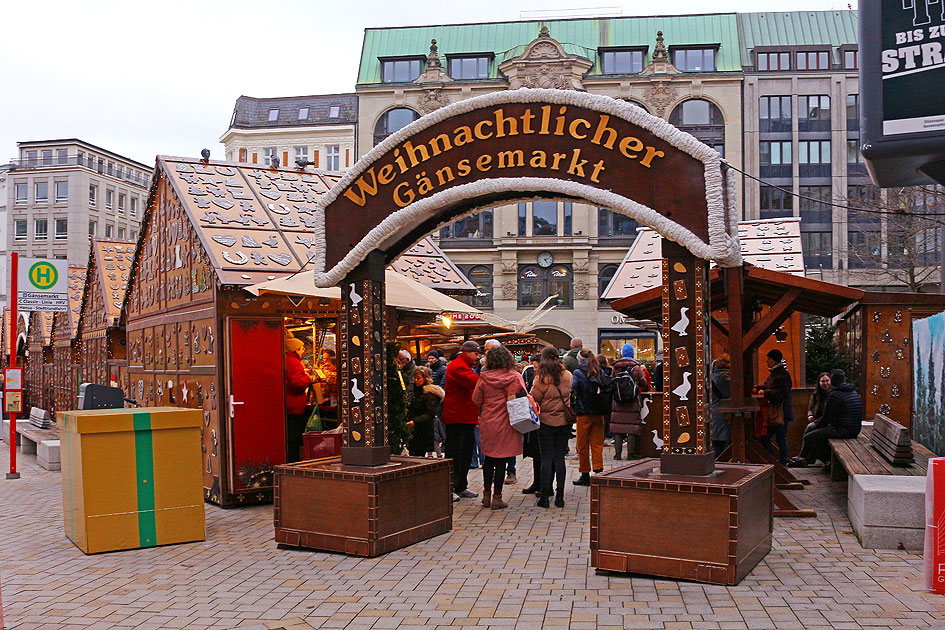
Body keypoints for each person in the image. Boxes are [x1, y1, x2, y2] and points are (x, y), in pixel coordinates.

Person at [471, 345, 525, 510]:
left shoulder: (484, 378)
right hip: (507, 422)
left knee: (488, 459)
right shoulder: (515, 377)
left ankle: (486, 495)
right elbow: (523, 396)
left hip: (488, 422)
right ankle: (497, 498)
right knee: (502, 460)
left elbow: (476, 399)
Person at [789, 369, 863, 468]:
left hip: (843, 430)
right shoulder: (852, 392)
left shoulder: (835, 395)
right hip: (854, 428)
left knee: (809, 437)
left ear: (833, 381)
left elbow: (827, 417)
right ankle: (806, 458)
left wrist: (817, 427)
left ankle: (826, 460)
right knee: (812, 430)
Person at [529, 346, 573, 508]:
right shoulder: (567, 375)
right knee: (559, 458)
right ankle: (560, 497)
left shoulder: (541, 378)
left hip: (546, 422)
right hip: (564, 421)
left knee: (546, 458)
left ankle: (545, 496)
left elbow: (534, 398)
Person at [442, 340, 481, 500]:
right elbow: (475, 382)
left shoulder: (465, 366)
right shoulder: (458, 366)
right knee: (455, 453)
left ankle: (461, 486)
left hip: (466, 417)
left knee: (465, 453)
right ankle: (450, 487)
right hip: (457, 417)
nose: (478, 357)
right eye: (476, 354)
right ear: (466, 353)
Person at [571, 349, 612, 485]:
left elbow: (573, 388)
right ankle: (598, 470)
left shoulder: (578, 372)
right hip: (599, 411)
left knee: (582, 444)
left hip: (584, 412)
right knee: (597, 443)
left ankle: (585, 473)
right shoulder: (598, 370)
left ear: (579, 360)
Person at [610, 344, 649, 460]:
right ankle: (631, 454)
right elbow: (644, 383)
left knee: (618, 428)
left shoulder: (615, 368)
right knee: (631, 427)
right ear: (632, 354)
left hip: (618, 402)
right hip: (632, 401)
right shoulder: (636, 368)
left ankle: (617, 454)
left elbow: (612, 382)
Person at [757, 348, 793, 465]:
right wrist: (760, 388)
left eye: (769, 359)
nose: (767, 361)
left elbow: (782, 394)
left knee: (777, 437)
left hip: (780, 412)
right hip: (778, 412)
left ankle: (779, 462)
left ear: (774, 360)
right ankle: (777, 461)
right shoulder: (777, 374)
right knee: (775, 437)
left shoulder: (781, 374)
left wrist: (765, 392)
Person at [284, 337, 314, 463]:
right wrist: (309, 379)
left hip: (289, 404)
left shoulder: (287, 360)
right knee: (294, 436)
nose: (303, 351)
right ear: (296, 350)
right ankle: (294, 460)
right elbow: (297, 383)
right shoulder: (294, 362)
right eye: (302, 349)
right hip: (294, 405)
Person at [406, 366, 444, 457]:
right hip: (415, 430)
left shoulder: (429, 394)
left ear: (426, 378)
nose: (416, 380)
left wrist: (415, 421)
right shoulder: (416, 391)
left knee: (419, 454)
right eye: (415, 378)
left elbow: (430, 414)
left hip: (423, 431)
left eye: (418, 378)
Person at [519, 353, 543, 494]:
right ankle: (540, 483)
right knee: (539, 453)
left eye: (535, 366)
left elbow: (534, 396)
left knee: (541, 453)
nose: (533, 368)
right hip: (542, 418)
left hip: (540, 417)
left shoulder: (541, 378)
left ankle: (542, 484)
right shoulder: (563, 375)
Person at [710, 354, 732, 457]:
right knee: (728, 442)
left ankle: (716, 461)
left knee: (716, 442)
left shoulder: (711, 379)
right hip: (730, 412)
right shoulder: (734, 379)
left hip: (715, 411)